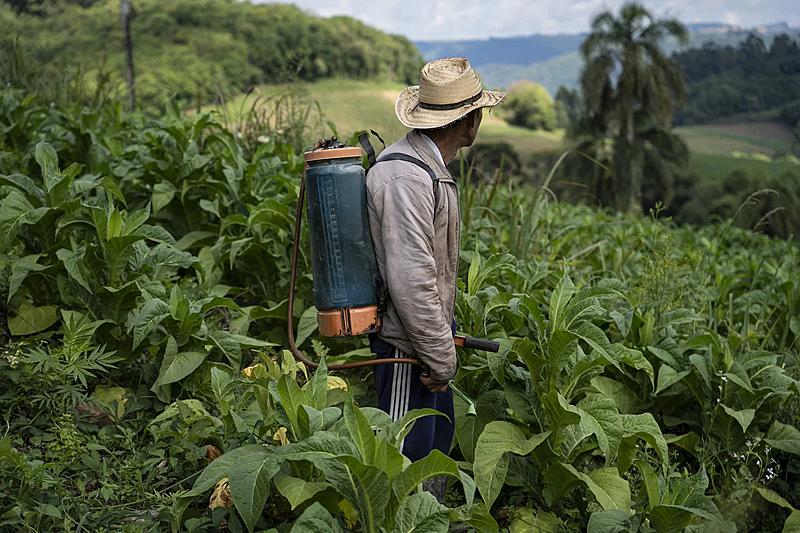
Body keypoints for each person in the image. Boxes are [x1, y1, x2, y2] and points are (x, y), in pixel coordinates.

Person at [365, 57, 505, 495]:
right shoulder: (405, 176)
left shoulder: (425, 168)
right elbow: (410, 280)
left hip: (426, 340)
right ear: (469, 120)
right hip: (407, 347)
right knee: (403, 470)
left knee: (432, 458)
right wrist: (440, 356)